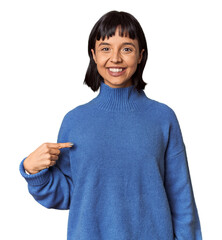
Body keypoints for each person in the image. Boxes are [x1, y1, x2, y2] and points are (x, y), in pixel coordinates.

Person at [19, 10, 203, 240]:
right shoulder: (74, 121)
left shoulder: (163, 118)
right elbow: (68, 194)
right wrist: (33, 171)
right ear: (93, 55)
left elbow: (181, 196)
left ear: (140, 55)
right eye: (106, 48)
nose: (115, 58)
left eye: (126, 49)